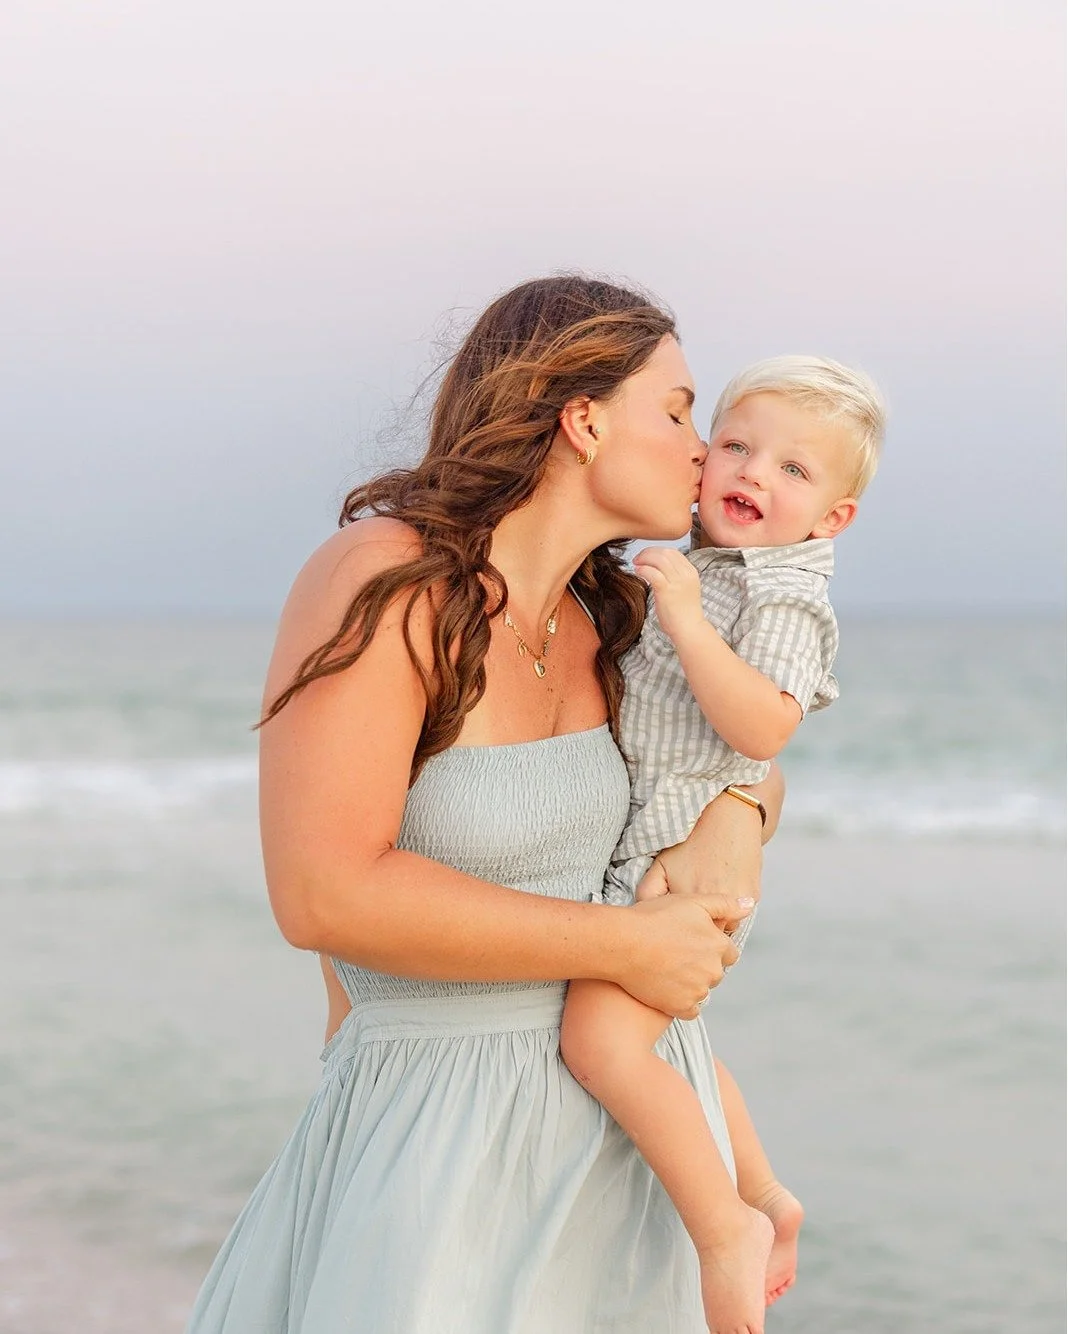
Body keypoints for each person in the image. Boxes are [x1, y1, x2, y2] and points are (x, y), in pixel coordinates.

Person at [186, 276, 785, 1334]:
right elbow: (322, 892)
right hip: (440, 1153)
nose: (707, 445)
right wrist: (625, 945)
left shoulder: (620, 619)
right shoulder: (387, 580)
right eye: (680, 409)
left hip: (631, 1152)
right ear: (584, 418)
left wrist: (741, 815)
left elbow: (740, 756)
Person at [561, 356, 886, 1334]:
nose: (753, 472)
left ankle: (722, 1228)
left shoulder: (782, 591)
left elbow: (764, 727)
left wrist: (691, 622)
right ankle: (767, 1189)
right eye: (737, 445)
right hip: (646, 848)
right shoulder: (697, 561)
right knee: (671, 1039)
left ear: (833, 519)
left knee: (598, 1039)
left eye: (795, 470)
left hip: (675, 864)